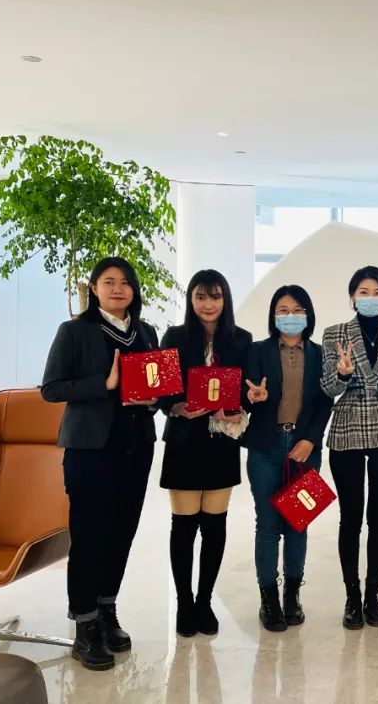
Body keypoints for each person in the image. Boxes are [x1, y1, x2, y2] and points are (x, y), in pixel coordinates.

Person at [41, 257, 160, 671]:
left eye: (125, 282)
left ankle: (107, 611)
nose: (118, 289)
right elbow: (51, 388)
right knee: (90, 537)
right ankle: (85, 625)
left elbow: (155, 386)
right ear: (93, 288)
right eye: (109, 282)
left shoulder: (146, 332)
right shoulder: (74, 331)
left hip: (136, 447)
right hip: (90, 450)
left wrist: (154, 400)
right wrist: (104, 384)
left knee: (121, 533)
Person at [156, 270, 252, 638]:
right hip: (184, 441)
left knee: (214, 527)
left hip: (221, 442)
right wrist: (176, 407)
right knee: (183, 526)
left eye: (215, 296)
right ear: (191, 300)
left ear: (225, 299)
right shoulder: (175, 337)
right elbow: (162, 391)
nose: (208, 304)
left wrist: (242, 406)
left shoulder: (241, 340)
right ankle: (184, 603)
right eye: (200, 296)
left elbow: (247, 391)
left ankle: (204, 601)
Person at [320, 266, 378, 630]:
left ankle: (372, 595)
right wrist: (343, 374)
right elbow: (328, 388)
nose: (370, 297)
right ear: (352, 296)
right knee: (350, 516)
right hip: (347, 425)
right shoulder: (335, 333)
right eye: (363, 291)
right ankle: (351, 595)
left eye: (377, 291)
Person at [242, 285, 334, 632]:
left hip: (304, 448)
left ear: (308, 315)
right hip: (265, 447)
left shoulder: (320, 354)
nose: (290, 316)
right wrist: (253, 397)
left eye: (297, 310)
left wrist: (310, 439)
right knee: (268, 526)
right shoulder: (258, 351)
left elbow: (325, 401)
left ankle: (292, 595)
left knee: (298, 523)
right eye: (283, 310)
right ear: (273, 315)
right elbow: (244, 394)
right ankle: (268, 599)